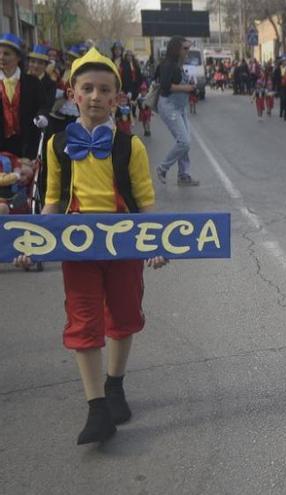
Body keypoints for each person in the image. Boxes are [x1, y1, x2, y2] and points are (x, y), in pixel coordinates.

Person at [14, 47, 168, 445]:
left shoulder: (130, 146)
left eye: (105, 90)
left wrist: (155, 241)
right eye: (88, 88)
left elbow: (144, 199)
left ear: (118, 97)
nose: (96, 97)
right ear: (73, 93)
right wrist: (35, 241)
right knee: (83, 320)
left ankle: (115, 385)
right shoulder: (57, 144)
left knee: (123, 314)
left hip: (124, 246)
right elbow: (51, 200)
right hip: (77, 247)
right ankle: (96, 407)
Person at [156, 36, 199, 186]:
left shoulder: (178, 64)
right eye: (185, 49)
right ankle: (162, 168)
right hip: (169, 106)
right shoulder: (168, 65)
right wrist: (186, 88)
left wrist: (191, 87)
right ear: (176, 49)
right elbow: (166, 86)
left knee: (185, 140)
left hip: (180, 107)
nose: (188, 51)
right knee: (184, 141)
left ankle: (184, 175)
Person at [0, 33, 48, 159]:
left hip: (26, 142)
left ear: (18, 57)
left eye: (6, 54)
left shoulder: (32, 82)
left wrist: (42, 116)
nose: (1, 57)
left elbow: (43, 105)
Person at [120, 51, 144, 117]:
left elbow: (139, 74)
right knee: (128, 99)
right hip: (127, 84)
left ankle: (133, 112)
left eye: (130, 56)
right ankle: (128, 113)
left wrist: (141, 82)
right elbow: (123, 76)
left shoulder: (135, 64)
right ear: (126, 56)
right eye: (128, 56)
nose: (129, 57)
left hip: (135, 84)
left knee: (135, 98)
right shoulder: (123, 65)